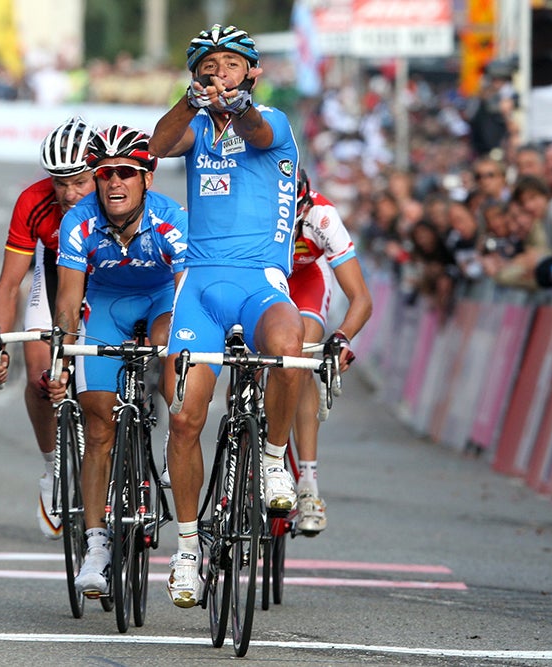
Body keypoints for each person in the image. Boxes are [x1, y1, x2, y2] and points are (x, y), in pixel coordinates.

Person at [148, 23, 305, 608]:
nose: (218, 73)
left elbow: (257, 128)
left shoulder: (274, 122)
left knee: (288, 348)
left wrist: (237, 105)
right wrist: (189, 100)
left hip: (258, 280)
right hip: (201, 286)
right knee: (186, 418)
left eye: (229, 64)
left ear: (252, 72)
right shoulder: (193, 127)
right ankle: (187, 550)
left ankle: (272, 462)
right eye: (207, 66)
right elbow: (157, 146)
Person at [47, 124, 187, 598]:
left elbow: (187, 292)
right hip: (104, 307)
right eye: (105, 174)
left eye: (126, 173)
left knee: (172, 336)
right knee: (99, 427)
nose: (114, 184)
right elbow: (68, 299)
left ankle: (172, 433)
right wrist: (63, 356)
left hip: (161, 300)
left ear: (147, 177)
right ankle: (96, 545)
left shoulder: (171, 218)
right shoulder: (79, 221)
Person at [0, 117, 97, 539]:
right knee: (38, 376)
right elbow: (9, 283)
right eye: (60, 182)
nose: (69, 193)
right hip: (53, 275)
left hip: (106, 276)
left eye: (80, 181)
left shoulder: (115, 194)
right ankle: (52, 470)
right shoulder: (32, 201)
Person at [289, 170, 372, 534]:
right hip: (262, 281)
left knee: (300, 358)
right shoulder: (248, 211)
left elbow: (361, 298)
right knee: (248, 362)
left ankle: (307, 484)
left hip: (306, 282)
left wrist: (341, 337)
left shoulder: (321, 215)